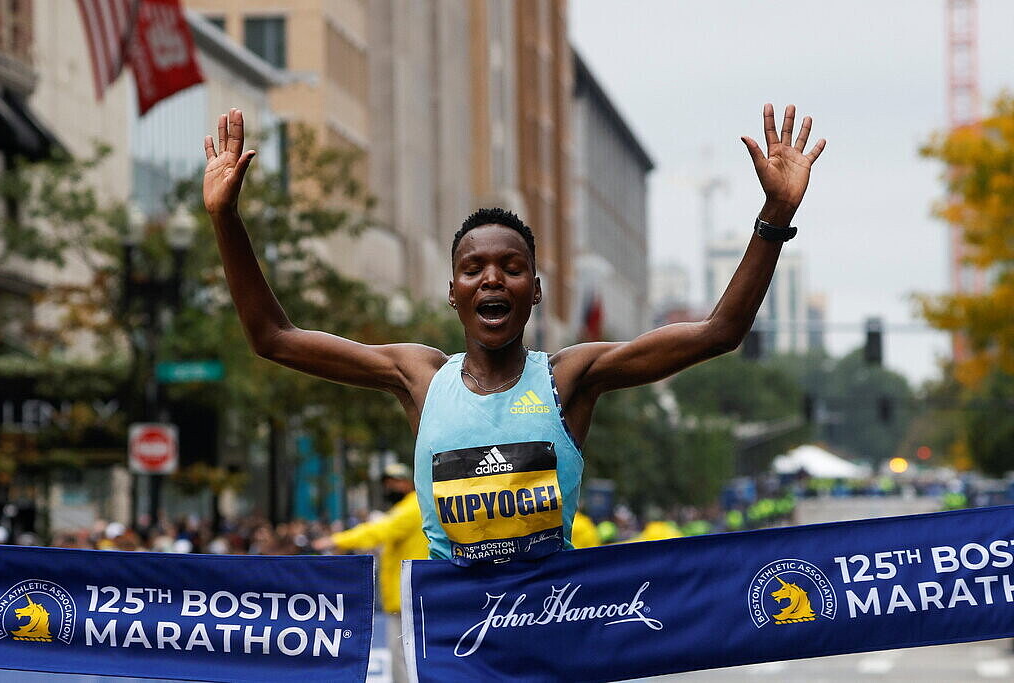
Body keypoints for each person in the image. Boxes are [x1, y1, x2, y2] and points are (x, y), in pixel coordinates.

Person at [202, 103, 824, 566]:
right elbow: (273, 337)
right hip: (456, 648)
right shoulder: (419, 378)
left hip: (551, 638)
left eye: (512, 267)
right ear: (454, 292)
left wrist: (775, 216)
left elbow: (719, 332)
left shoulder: (570, 379)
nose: (492, 279)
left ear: (536, 290)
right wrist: (225, 218)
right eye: (473, 268)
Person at [313, 463, 424, 682]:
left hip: (407, 597)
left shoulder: (413, 507)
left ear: (407, 483)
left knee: (403, 660)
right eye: (387, 484)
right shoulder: (408, 507)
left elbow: (379, 531)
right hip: (405, 597)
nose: (389, 488)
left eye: (393, 483)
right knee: (404, 658)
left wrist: (337, 540)